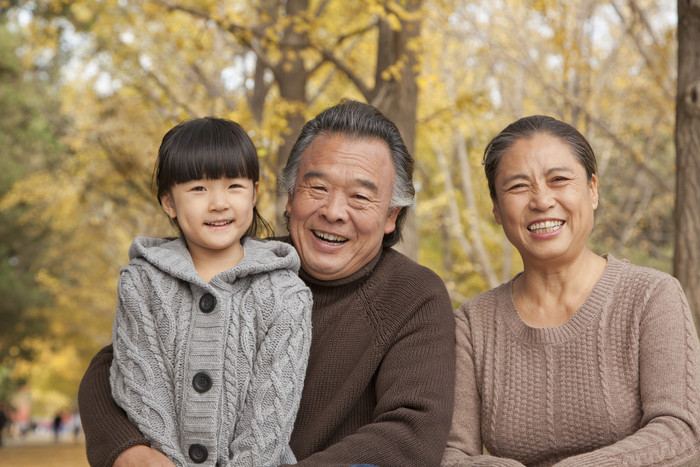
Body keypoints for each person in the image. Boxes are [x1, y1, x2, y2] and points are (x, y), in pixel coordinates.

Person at [78, 99, 456, 467]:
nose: (334, 212)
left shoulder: (412, 294)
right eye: (317, 189)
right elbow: (112, 365)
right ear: (290, 196)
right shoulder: (240, 264)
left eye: (359, 197)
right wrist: (128, 450)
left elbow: (410, 433)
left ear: (392, 215)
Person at [441, 115, 700, 466]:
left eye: (559, 180)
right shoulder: (472, 325)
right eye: (518, 187)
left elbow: (682, 433)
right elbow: (450, 453)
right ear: (497, 210)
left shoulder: (652, 296)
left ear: (592, 190)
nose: (542, 200)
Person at [107, 117, 313, 466]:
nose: (218, 203)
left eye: (234, 186)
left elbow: (269, 418)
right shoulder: (141, 284)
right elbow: (142, 394)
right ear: (169, 202)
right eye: (198, 188)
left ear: (254, 194)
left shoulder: (285, 293)